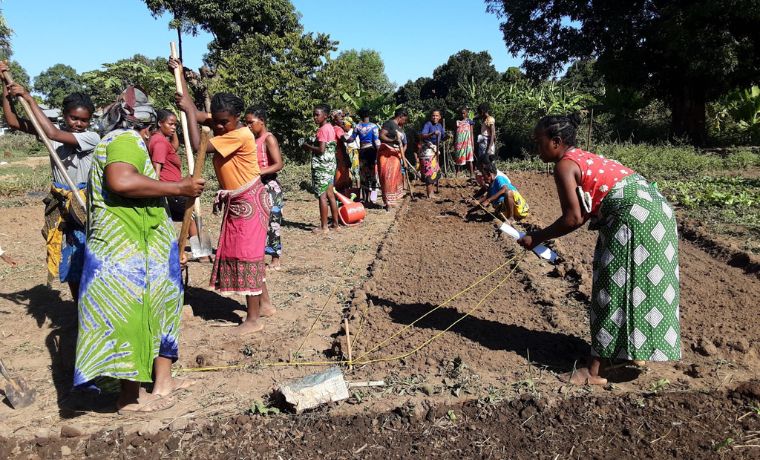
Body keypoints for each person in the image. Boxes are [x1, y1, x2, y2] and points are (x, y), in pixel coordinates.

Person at [518, 114, 680, 385]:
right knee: (640, 286)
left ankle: (595, 371)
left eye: (539, 142)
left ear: (556, 142)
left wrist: (538, 238)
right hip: (656, 211)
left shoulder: (565, 165)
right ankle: (629, 353)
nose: (537, 148)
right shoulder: (583, 157)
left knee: (611, 287)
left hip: (633, 218)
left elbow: (574, 218)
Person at [73, 86, 204, 412]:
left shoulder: (124, 142)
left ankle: (163, 384)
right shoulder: (124, 140)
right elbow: (121, 181)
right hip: (127, 256)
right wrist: (179, 186)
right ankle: (129, 397)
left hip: (149, 253)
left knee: (162, 312)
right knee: (131, 318)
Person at [176, 82, 275, 334]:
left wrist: (188, 113)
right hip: (240, 200)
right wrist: (183, 85)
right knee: (249, 253)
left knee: (247, 255)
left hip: (249, 201)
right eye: (216, 122)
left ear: (237, 118)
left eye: (223, 123)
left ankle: (253, 319)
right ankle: (264, 305)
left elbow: (199, 147)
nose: (218, 127)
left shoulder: (240, 135)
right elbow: (196, 111)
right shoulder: (226, 125)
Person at [0, 62, 100, 302]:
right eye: (73, 118)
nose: (78, 123)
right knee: (72, 257)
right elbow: (14, 123)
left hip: (84, 203)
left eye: (83, 120)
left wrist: (29, 98)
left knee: (90, 256)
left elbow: (54, 134)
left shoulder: (90, 137)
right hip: (62, 204)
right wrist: (7, 90)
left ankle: (95, 303)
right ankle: (79, 306)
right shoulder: (50, 132)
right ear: (65, 116)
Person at [245, 107, 285, 271]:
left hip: (269, 186)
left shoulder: (269, 138)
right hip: (257, 185)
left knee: (273, 223)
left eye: (251, 122)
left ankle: (275, 260)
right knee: (258, 223)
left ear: (261, 121)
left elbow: (278, 163)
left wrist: (258, 172)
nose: (248, 126)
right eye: (246, 123)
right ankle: (257, 256)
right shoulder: (253, 140)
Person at [148, 109, 198, 240]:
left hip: (172, 188)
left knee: (181, 215)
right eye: (170, 124)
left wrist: (173, 130)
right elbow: (156, 169)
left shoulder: (159, 140)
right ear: (159, 123)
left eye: (175, 125)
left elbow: (174, 147)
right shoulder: (159, 143)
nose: (173, 127)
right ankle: (200, 252)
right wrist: (155, 190)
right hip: (170, 190)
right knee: (190, 214)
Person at [302, 104, 340, 233]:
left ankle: (324, 227)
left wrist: (307, 146)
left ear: (325, 116)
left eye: (317, 115)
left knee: (322, 196)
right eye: (314, 114)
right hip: (330, 166)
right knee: (330, 195)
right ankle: (335, 224)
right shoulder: (330, 127)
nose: (314, 117)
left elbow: (321, 150)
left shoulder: (323, 129)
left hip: (322, 167)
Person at [347, 108, 381, 204]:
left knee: (363, 175)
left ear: (361, 116)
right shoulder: (374, 127)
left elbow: (351, 139)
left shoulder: (357, 127)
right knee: (373, 175)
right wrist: (379, 152)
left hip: (362, 152)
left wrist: (343, 137)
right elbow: (376, 141)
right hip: (371, 152)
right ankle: (372, 199)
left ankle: (365, 198)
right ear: (368, 115)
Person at [378, 108, 409, 210]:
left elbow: (403, 145)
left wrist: (403, 158)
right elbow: (381, 135)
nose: (405, 121)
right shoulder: (389, 124)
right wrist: (393, 140)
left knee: (394, 178)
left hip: (396, 155)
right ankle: (387, 202)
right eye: (404, 119)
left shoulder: (400, 129)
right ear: (401, 116)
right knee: (387, 177)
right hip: (386, 154)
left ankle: (392, 200)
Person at [418, 110, 445, 198]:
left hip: (435, 150)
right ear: (431, 116)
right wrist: (433, 133)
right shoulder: (428, 124)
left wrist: (447, 136)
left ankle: (431, 192)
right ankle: (430, 193)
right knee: (429, 171)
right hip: (427, 151)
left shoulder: (440, 126)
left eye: (437, 116)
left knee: (434, 171)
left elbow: (443, 137)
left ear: (440, 117)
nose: (435, 117)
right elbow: (422, 135)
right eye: (433, 115)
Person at [331, 109, 352, 194]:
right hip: (339, 154)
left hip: (335, 153)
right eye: (339, 115)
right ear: (334, 119)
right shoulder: (338, 129)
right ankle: (340, 195)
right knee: (341, 175)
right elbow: (343, 138)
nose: (342, 118)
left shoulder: (332, 128)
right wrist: (352, 137)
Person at [454, 106, 475, 178]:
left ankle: (472, 174)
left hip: (468, 143)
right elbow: (455, 133)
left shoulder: (469, 121)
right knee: (458, 158)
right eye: (461, 113)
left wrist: (472, 144)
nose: (462, 115)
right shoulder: (457, 122)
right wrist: (454, 143)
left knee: (470, 159)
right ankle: (457, 174)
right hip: (459, 143)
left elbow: (471, 133)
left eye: (464, 113)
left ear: (467, 113)